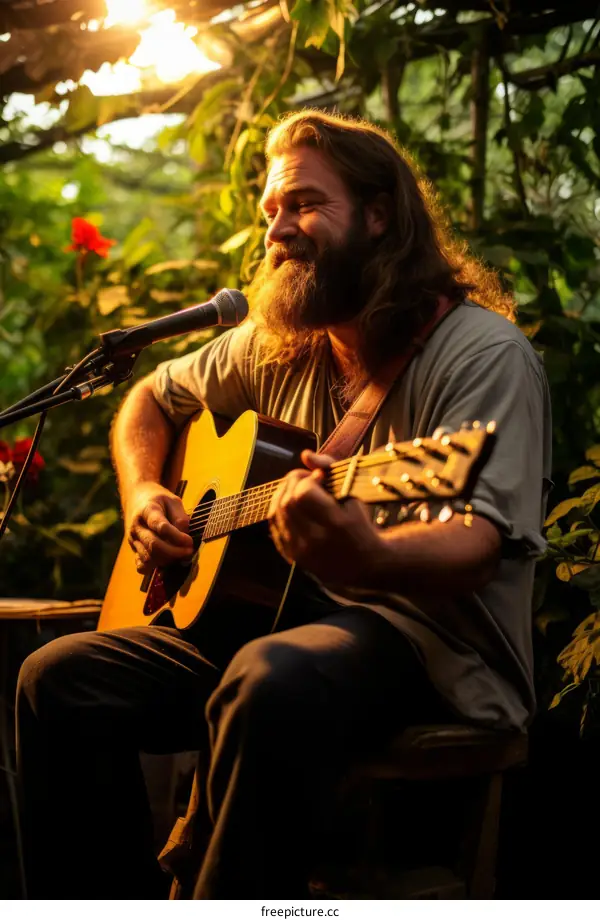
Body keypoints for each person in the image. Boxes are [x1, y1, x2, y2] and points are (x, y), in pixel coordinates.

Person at [16, 110, 552, 899]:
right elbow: (147, 402)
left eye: (304, 203)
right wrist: (146, 495)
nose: (279, 229)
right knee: (55, 677)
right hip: (267, 619)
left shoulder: (481, 355)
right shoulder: (280, 341)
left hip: (429, 647)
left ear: (378, 214)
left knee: (266, 682)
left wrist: (363, 556)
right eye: (270, 212)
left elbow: (476, 544)